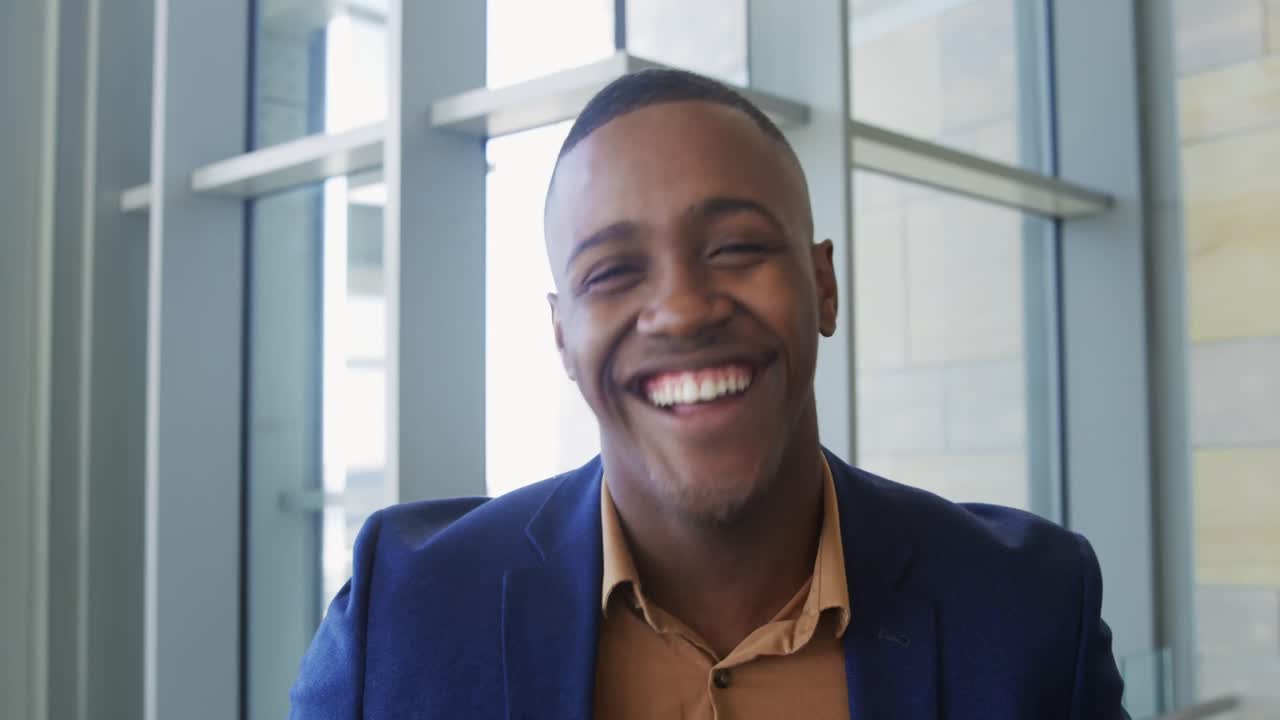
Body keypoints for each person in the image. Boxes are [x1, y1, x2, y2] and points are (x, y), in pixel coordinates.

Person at [290, 68, 1128, 719]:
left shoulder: (1029, 611)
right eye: (613, 271)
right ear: (562, 338)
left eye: (736, 247)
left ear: (823, 285)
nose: (685, 309)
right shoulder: (404, 618)